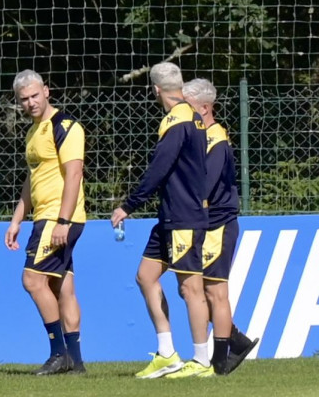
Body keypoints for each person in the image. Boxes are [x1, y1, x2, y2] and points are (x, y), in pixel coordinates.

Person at [110, 62, 213, 378]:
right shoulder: (194, 118)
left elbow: (159, 169)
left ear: (155, 90)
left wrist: (128, 205)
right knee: (145, 276)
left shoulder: (176, 121)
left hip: (183, 216)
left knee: (191, 288)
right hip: (170, 216)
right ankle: (167, 353)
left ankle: (202, 361)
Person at [5, 69, 87, 375]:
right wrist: (16, 220)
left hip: (58, 217)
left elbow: (74, 173)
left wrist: (63, 221)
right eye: (23, 99)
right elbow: (33, 179)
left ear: (47, 91)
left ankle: (58, 352)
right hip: (46, 216)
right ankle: (75, 362)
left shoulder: (65, 126)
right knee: (60, 286)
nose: (30, 102)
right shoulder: (33, 132)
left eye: (34, 95)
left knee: (32, 280)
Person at [182, 78, 259, 375]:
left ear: (204, 107)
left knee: (214, 292)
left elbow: (206, 186)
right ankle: (235, 341)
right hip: (203, 225)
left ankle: (221, 359)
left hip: (217, 225)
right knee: (191, 289)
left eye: (187, 107)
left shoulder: (216, 140)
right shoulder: (198, 138)